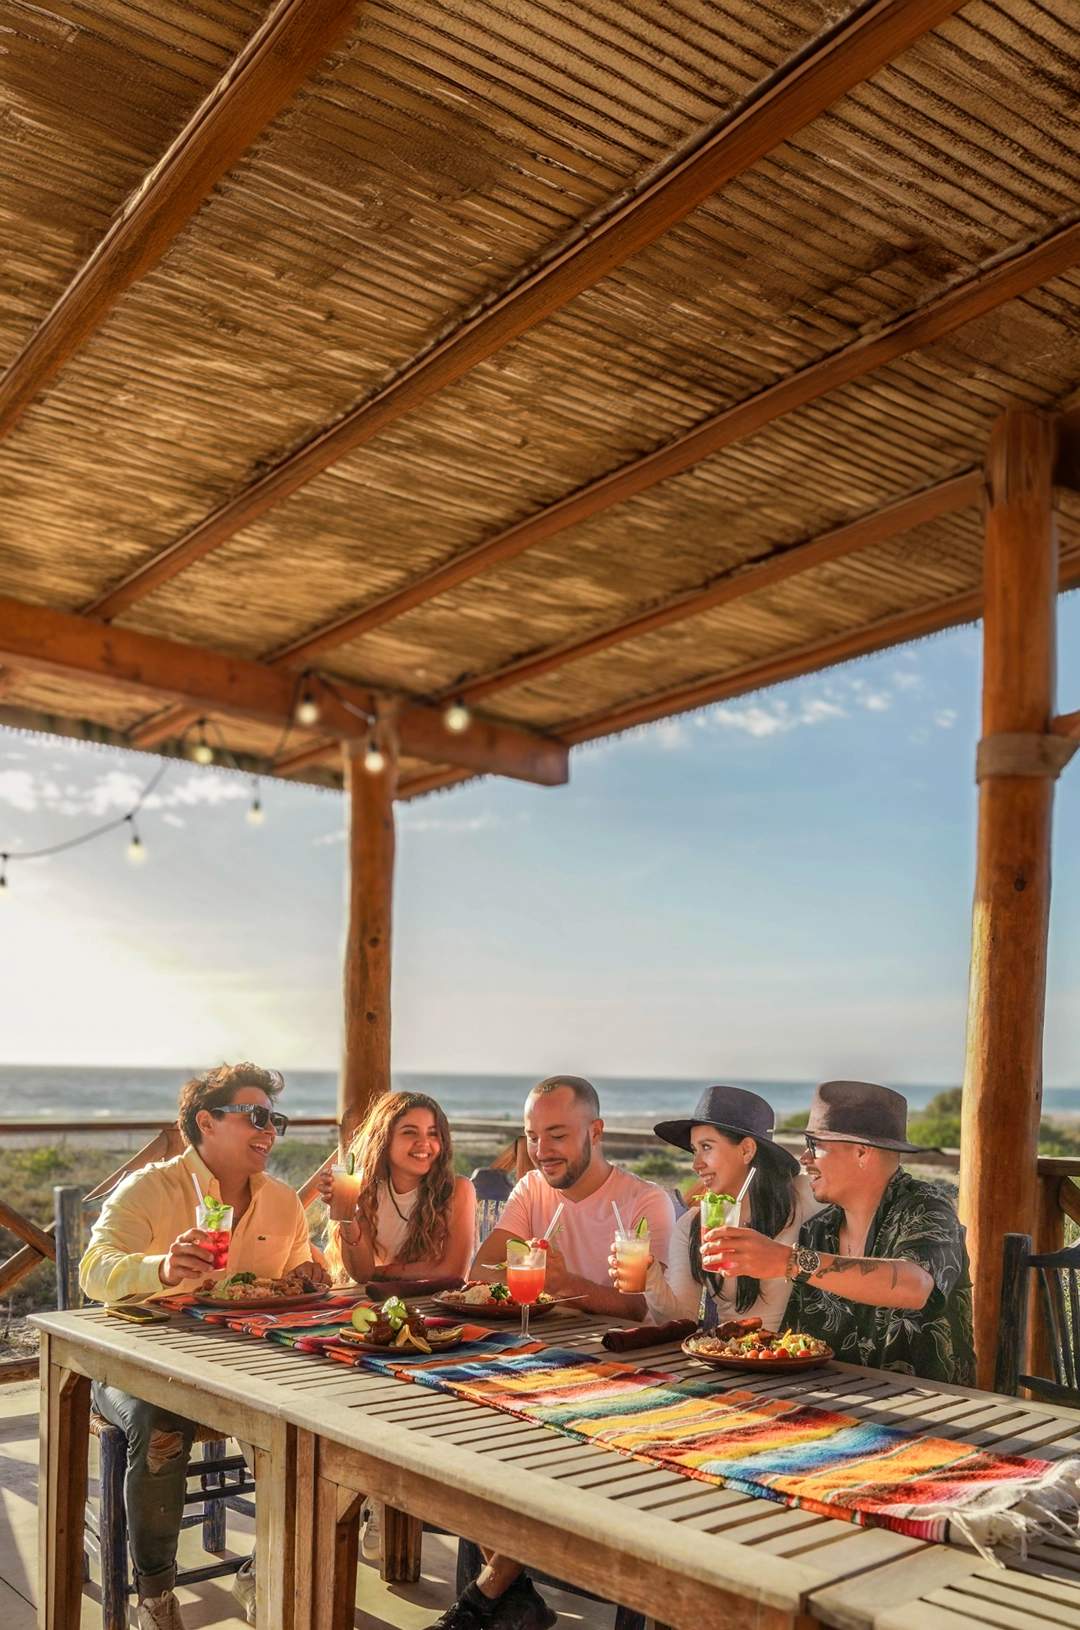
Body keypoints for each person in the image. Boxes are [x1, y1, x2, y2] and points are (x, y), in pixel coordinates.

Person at [79, 1062, 326, 1630]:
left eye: (275, 1119)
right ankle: (156, 1597)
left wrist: (309, 1276)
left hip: (240, 1364)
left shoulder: (283, 1201)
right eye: (255, 1115)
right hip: (139, 1363)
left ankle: (262, 1569)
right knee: (162, 1426)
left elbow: (295, 1275)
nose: (269, 1129)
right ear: (206, 1121)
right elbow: (95, 1270)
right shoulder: (152, 1186)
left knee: (307, 1422)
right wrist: (161, 1267)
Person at [430, 1076, 676, 1630]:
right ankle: (510, 1597)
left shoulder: (644, 1203)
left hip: (630, 1375)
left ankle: (489, 1597)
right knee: (467, 1416)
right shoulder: (533, 1191)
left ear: (596, 1131)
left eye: (557, 1134)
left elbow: (643, 1311)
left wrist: (566, 1283)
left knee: (507, 1434)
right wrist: (539, 1278)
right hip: (542, 1361)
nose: (542, 1150)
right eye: (532, 1136)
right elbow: (481, 1273)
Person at [705, 1079, 975, 1384]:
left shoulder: (926, 1207)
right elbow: (803, 1346)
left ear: (862, 1153)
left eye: (814, 1147)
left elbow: (914, 1286)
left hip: (936, 1408)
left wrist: (788, 1261)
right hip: (842, 1403)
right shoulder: (818, 1231)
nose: (804, 1159)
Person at [610, 1084, 819, 1328]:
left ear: (746, 1150)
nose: (696, 1164)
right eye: (694, 1151)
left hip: (794, 1356)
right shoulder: (692, 1225)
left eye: (707, 1147)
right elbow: (680, 1319)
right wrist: (650, 1277)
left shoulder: (802, 1198)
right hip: (726, 1354)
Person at [320, 1090, 476, 1286]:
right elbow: (360, 1274)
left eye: (433, 1133)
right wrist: (346, 1215)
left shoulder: (457, 1190)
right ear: (384, 1139)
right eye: (410, 1132)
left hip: (433, 1304)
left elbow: (453, 1272)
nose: (424, 1142)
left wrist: (381, 1272)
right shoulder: (365, 1190)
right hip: (378, 1303)